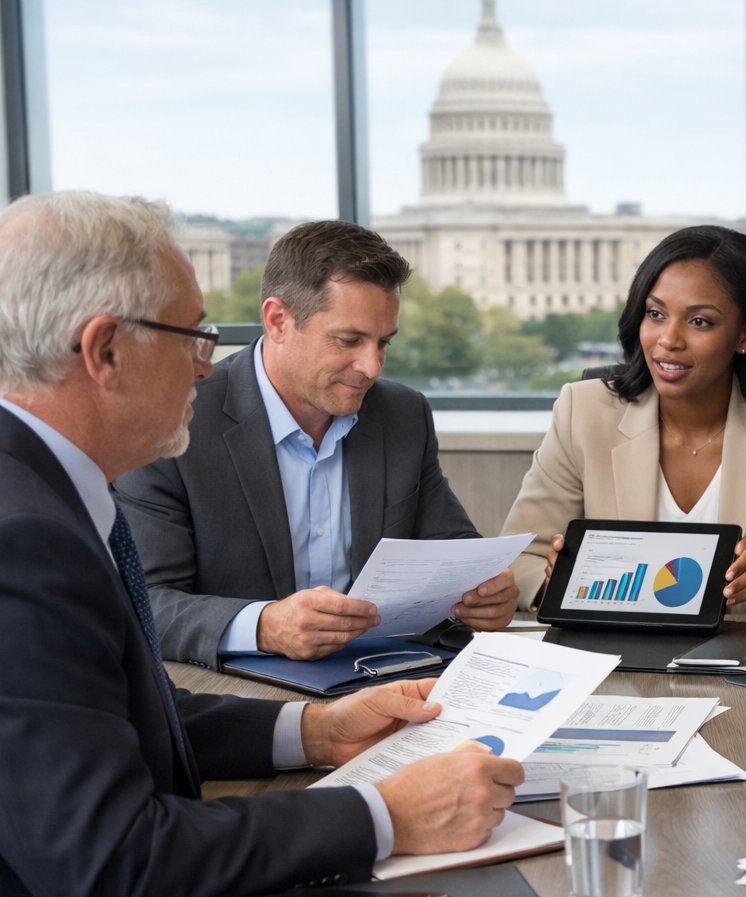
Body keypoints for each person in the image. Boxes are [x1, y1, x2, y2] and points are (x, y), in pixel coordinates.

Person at [0, 192, 523, 897]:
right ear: (102, 351)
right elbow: (116, 864)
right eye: (193, 334)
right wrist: (387, 815)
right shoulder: (13, 540)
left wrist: (317, 732)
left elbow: (107, 707)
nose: (207, 359)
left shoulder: (17, 483)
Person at [114, 220, 518, 668]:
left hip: (387, 672)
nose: (371, 366)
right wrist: (265, 625)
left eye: (384, 342)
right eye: (349, 340)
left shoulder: (402, 415)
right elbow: (143, 601)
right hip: (237, 694)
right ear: (278, 321)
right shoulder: (178, 419)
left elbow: (451, 550)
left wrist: (484, 594)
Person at [500, 225, 746, 617]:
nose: (668, 340)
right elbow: (518, 559)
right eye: (655, 314)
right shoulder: (582, 411)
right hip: (615, 663)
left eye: (699, 321)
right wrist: (561, 579)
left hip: (744, 663)